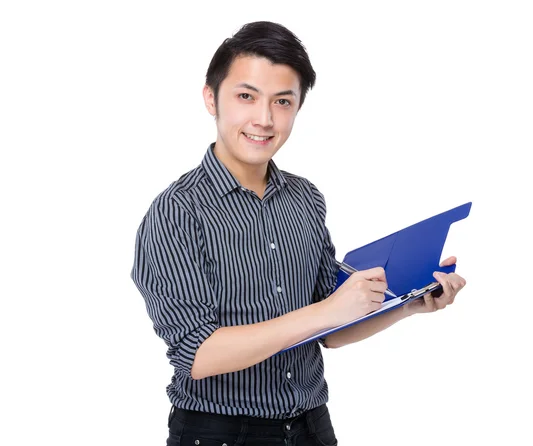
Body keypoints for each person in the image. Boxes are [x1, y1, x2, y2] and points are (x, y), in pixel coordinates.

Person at [130, 20, 466, 446]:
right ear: (211, 98)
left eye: (283, 101)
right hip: (220, 433)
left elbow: (331, 329)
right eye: (246, 96)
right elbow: (195, 354)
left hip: (311, 427)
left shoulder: (305, 198)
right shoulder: (176, 212)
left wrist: (407, 305)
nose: (265, 119)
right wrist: (325, 312)